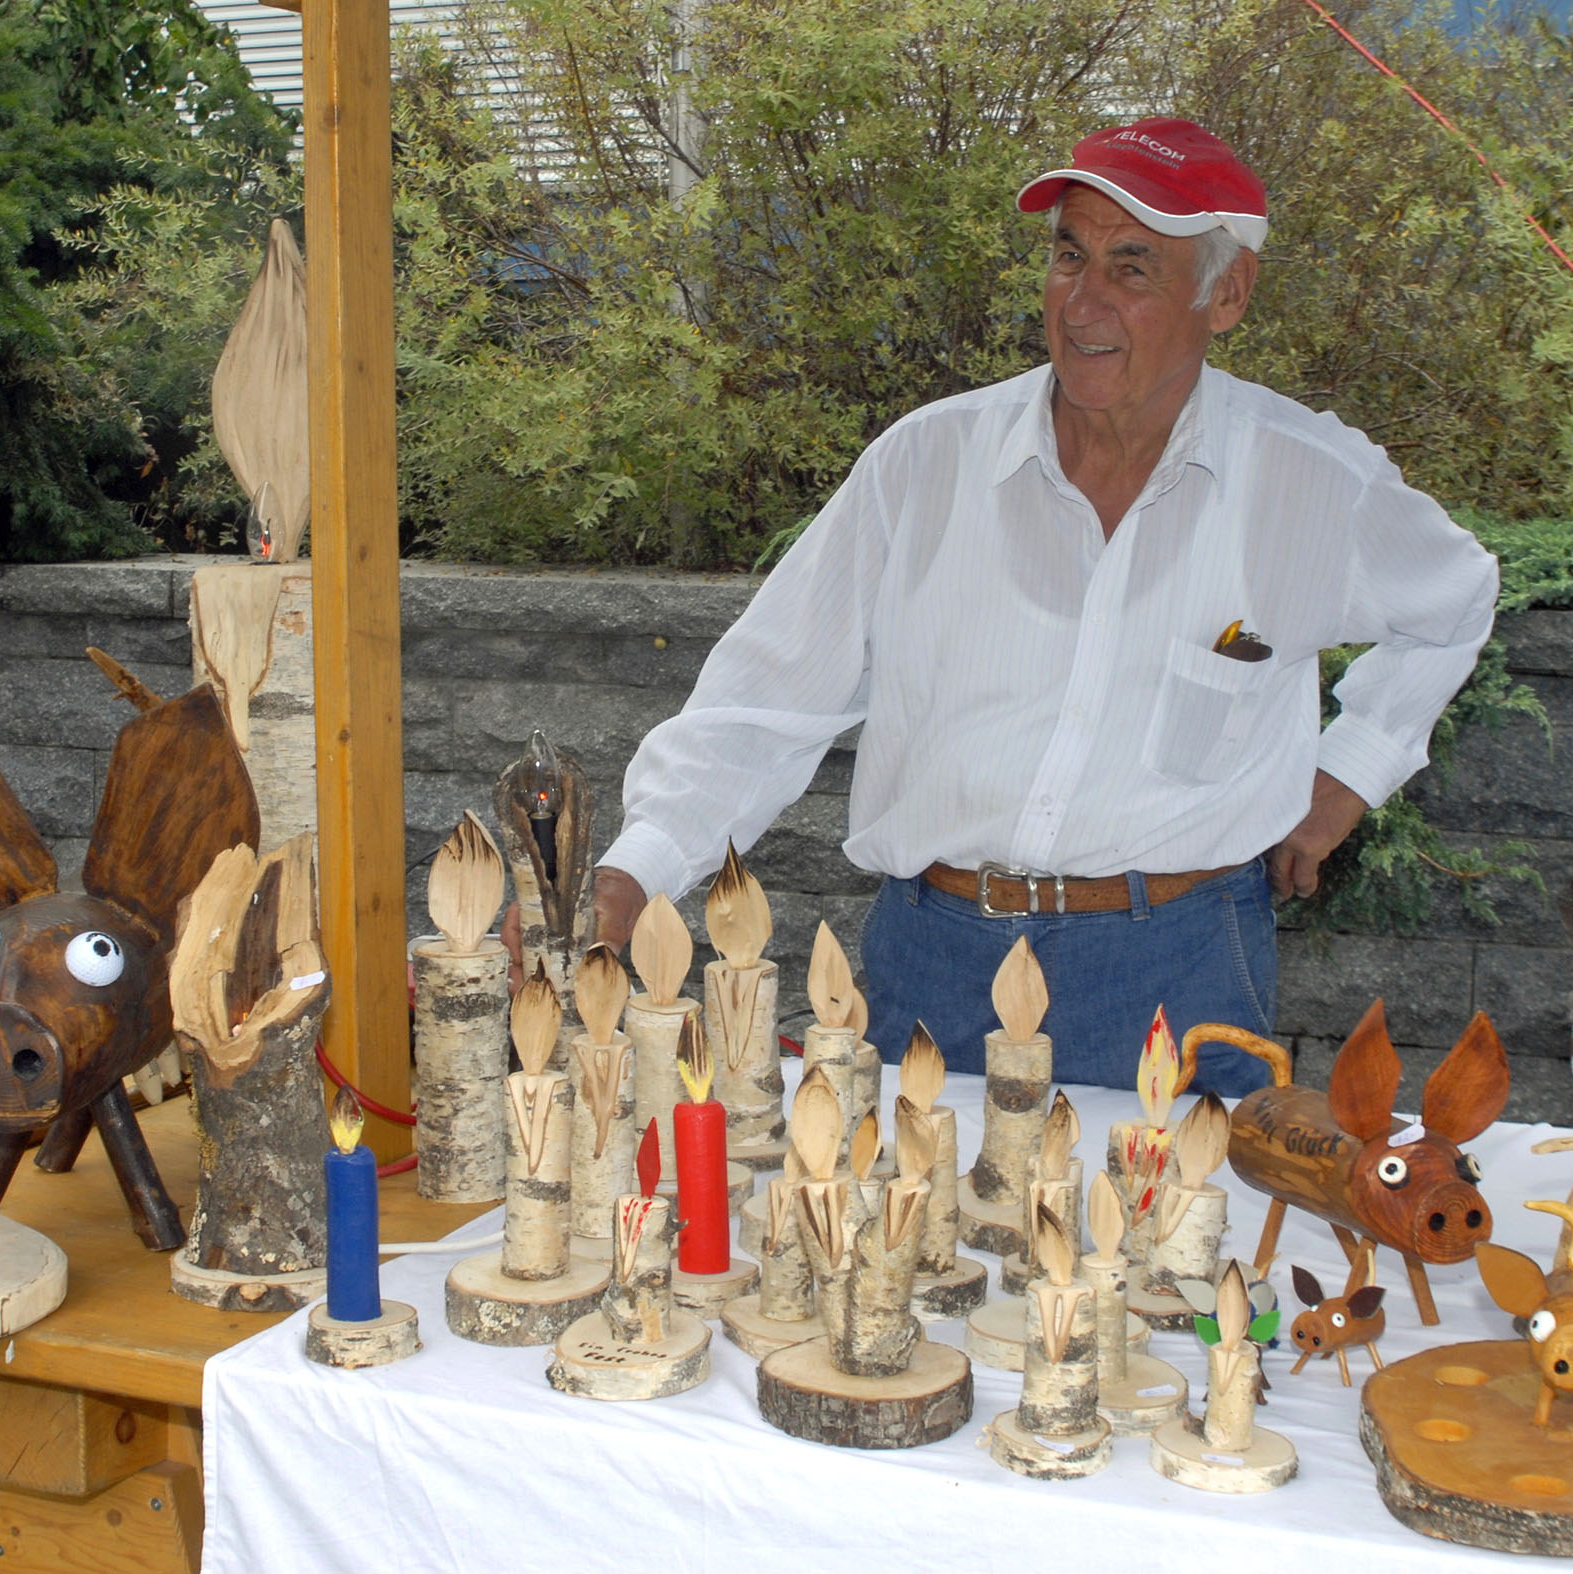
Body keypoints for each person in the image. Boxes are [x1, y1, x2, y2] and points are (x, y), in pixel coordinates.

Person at [590, 117, 1499, 1093]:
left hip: (1175, 967)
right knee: (902, 1197)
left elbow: (1454, 600)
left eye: (1131, 267)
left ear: (1226, 292)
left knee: (1180, 1198)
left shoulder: (1311, 482)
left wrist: (1349, 772)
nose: (1082, 301)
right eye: (1069, 256)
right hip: (932, 960)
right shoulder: (924, 463)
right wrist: (633, 872)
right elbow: (765, 699)